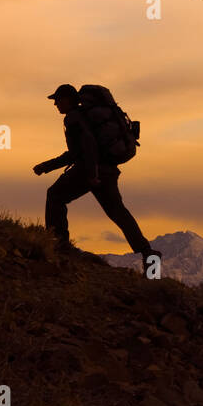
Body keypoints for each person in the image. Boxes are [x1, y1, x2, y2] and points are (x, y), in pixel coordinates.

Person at [32, 84, 161, 272]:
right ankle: (149, 255)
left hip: (89, 171)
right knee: (118, 213)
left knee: (55, 196)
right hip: (107, 170)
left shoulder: (75, 118)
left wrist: (92, 174)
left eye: (58, 100)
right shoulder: (89, 116)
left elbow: (87, 146)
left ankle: (58, 245)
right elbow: (79, 151)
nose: (56, 105)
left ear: (68, 99)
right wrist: (47, 166)